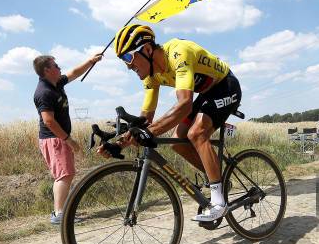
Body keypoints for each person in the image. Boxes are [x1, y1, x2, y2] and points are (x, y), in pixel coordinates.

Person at [100, 24, 241, 222]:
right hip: (207, 94)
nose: (128, 66)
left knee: (197, 134)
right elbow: (145, 121)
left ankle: (219, 202)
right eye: (123, 60)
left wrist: (151, 132)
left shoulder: (178, 53)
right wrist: (120, 142)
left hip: (226, 87)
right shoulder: (150, 76)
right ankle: (219, 178)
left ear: (147, 50)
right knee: (176, 142)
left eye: (128, 57)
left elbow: (184, 104)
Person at [33, 53, 103, 224]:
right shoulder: (44, 92)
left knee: (66, 174)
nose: (60, 68)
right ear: (47, 70)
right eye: (56, 66)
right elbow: (48, 121)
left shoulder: (56, 83)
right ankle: (59, 215)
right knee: (64, 175)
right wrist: (68, 140)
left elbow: (74, 73)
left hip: (58, 139)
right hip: (55, 139)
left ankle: (61, 212)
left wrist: (91, 61)